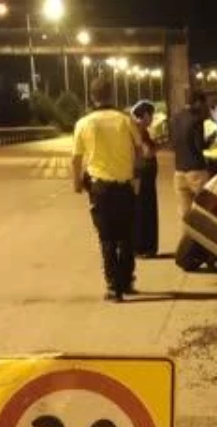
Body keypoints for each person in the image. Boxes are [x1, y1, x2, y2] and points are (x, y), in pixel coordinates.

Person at [73, 76, 144, 302]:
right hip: (124, 187)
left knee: (107, 238)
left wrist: (76, 182)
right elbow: (139, 151)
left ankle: (114, 287)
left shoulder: (83, 123)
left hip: (99, 189)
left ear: (92, 96)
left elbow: (76, 158)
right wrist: (137, 177)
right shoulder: (125, 120)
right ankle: (126, 281)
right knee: (126, 237)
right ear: (111, 94)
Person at [170, 92, 211, 225]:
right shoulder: (197, 120)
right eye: (203, 104)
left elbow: (173, 143)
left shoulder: (174, 118)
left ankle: (187, 240)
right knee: (204, 210)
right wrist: (211, 140)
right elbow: (200, 146)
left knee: (185, 212)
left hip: (179, 170)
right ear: (198, 102)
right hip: (196, 171)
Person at [130, 100, 160, 258]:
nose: (152, 119)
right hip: (142, 175)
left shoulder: (139, 129)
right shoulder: (139, 130)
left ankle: (139, 246)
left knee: (140, 208)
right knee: (144, 209)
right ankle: (144, 247)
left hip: (140, 175)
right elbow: (147, 153)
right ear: (145, 114)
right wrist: (159, 146)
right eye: (151, 115)